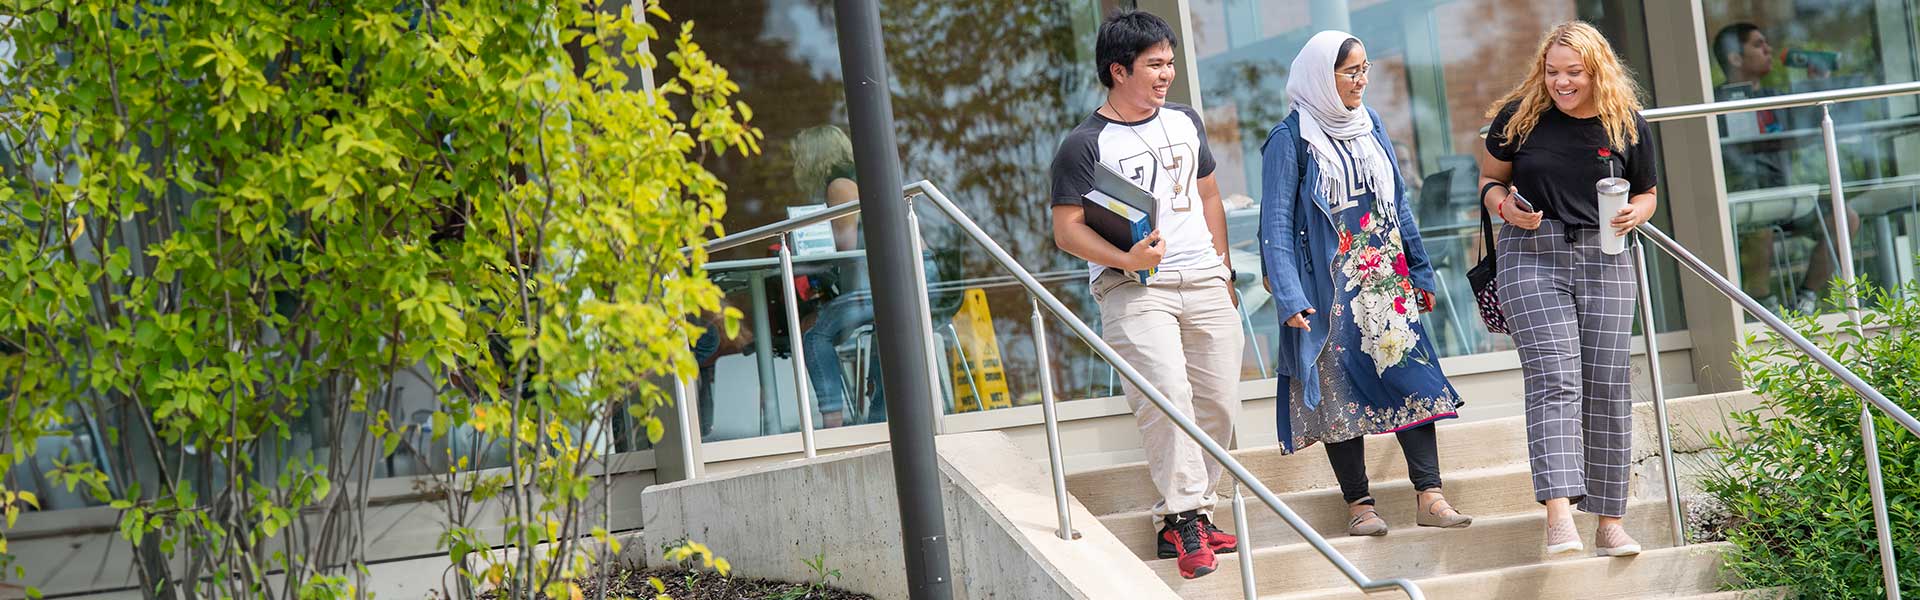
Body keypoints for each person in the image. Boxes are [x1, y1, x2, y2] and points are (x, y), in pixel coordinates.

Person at [1047, 9, 1241, 580]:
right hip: (1135, 288)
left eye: (1171, 64)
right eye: (1154, 65)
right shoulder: (1084, 144)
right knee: (1167, 397)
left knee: (1220, 403)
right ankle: (1182, 518)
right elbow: (1067, 230)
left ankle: (1196, 513)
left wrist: (1223, 268)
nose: (1166, 75)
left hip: (1204, 278)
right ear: (1118, 70)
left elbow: (1210, 196)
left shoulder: (1185, 121)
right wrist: (1128, 259)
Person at [1257, 31, 1471, 539]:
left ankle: (1430, 494)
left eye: (1365, 69)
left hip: (1382, 278)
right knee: (1338, 392)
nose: (1362, 81)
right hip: (1326, 290)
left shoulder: (1369, 123)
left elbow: (1397, 203)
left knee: (1410, 376)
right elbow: (1276, 228)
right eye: (1350, 72)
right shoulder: (1289, 140)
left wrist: (1418, 269)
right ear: (1320, 78)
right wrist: (1289, 296)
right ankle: (1359, 505)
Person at [1478, 21, 1657, 558]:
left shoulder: (1625, 124)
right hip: (1531, 256)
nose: (1561, 82)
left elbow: (1648, 193)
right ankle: (1559, 517)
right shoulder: (1520, 117)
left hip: (1606, 256)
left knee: (1607, 386)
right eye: (1553, 72)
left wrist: (1634, 214)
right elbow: (1490, 182)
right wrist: (1504, 206)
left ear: (1596, 70)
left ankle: (1609, 522)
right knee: (1556, 379)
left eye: (1573, 73)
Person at [1711, 22, 1857, 313]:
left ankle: (1806, 297)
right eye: (1758, 44)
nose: (1769, 50)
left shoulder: (1776, 97)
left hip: (1787, 197)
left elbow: (1817, 124)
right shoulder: (1717, 103)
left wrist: (1818, 82)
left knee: (1845, 218)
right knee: (1761, 224)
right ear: (1735, 58)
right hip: (1746, 202)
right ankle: (1762, 307)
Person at [789, 124, 883, 428]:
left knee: (814, 334)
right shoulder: (864, 175)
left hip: (882, 287)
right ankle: (881, 415)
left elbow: (846, 246)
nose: (796, 164)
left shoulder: (840, 184)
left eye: (799, 157)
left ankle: (832, 422)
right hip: (913, 277)